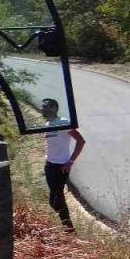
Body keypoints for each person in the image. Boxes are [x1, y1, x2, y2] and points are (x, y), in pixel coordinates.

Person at [41, 98, 85, 231]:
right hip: (49, 165)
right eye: (42, 106)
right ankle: (66, 226)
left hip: (61, 166)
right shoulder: (48, 124)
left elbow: (81, 141)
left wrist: (70, 162)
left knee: (58, 198)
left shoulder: (63, 122)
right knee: (53, 201)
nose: (42, 109)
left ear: (54, 108)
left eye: (45, 106)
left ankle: (69, 229)